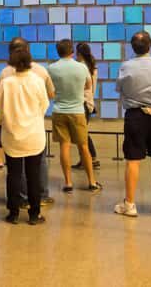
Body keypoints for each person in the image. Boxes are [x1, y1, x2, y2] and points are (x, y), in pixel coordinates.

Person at [114, 31, 151, 217]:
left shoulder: (126, 67)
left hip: (135, 116)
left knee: (133, 160)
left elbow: (119, 88)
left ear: (133, 48)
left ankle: (130, 205)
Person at [0, 37, 55, 206]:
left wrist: (9, 118)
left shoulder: (4, 75)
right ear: (28, 50)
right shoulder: (40, 73)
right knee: (36, 168)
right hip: (34, 131)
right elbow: (45, 102)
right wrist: (34, 117)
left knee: (14, 172)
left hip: (11, 130)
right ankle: (40, 199)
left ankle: (18, 203)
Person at [47, 39, 102, 193]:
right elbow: (88, 86)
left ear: (58, 51)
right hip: (77, 111)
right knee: (83, 146)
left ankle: (68, 183)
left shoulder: (51, 68)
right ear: (72, 51)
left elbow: (50, 90)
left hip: (59, 111)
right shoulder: (82, 68)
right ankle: (91, 182)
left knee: (64, 146)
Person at [73, 42, 100, 169]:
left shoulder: (80, 68)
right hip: (88, 103)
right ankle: (85, 159)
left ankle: (92, 158)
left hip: (82, 103)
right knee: (81, 133)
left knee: (81, 133)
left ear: (79, 54)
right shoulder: (92, 67)